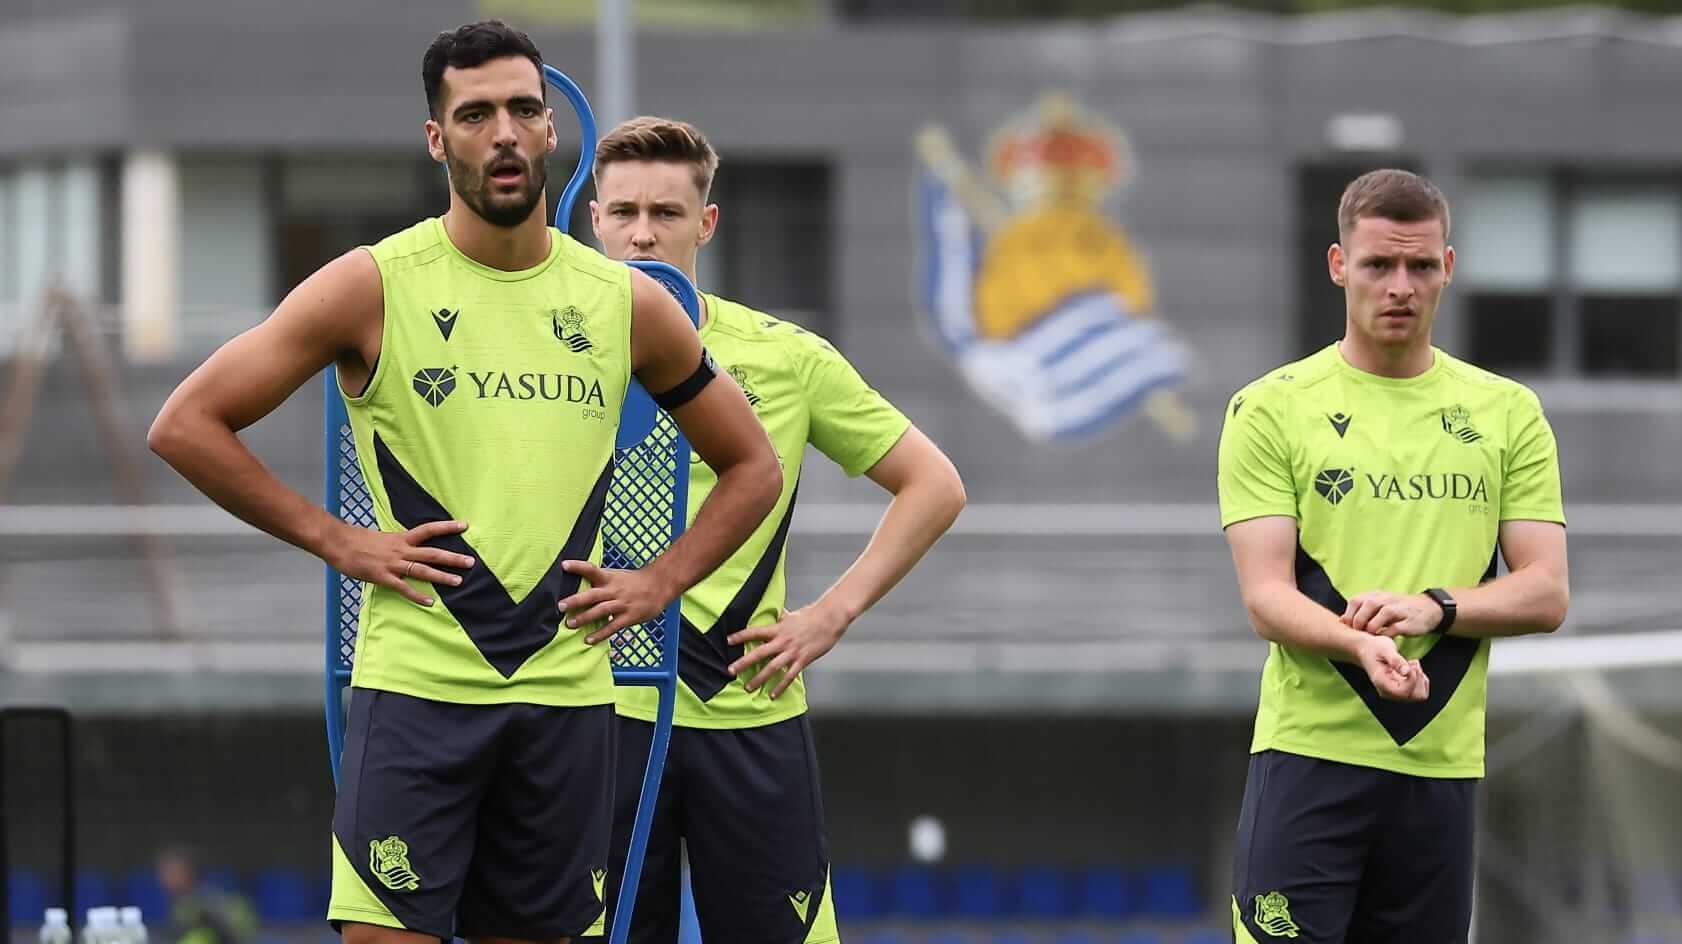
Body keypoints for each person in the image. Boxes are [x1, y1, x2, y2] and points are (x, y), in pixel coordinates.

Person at [147, 21, 781, 944]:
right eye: (476, 114)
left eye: (526, 109)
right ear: (439, 139)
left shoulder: (625, 303)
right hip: (417, 698)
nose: (507, 133)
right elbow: (186, 425)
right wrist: (339, 539)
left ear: (553, 131)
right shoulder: (370, 285)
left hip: (567, 705)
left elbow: (752, 467)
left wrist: (660, 582)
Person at [586, 116, 967, 944]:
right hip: (595, 716)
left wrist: (832, 613)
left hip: (747, 712)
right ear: (594, 220)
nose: (644, 232)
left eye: (667, 213)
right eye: (623, 213)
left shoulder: (783, 355)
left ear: (706, 224)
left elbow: (933, 485)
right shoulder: (554, 350)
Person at [1217, 168, 1569, 943]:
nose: (1399, 285)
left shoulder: (1508, 413)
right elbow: (1265, 597)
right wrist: (1359, 643)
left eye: (1419, 265)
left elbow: (1546, 592)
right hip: (1309, 760)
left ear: (1449, 265)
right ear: (1340, 265)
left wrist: (1437, 607)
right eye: (1379, 265)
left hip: (1441, 774)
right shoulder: (1271, 407)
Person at [154, 849, 257, 944]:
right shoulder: (178, 906)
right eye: (162, 872)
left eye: (172, 871)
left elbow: (238, 934)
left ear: (188, 871)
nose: (164, 878)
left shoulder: (211, 902)